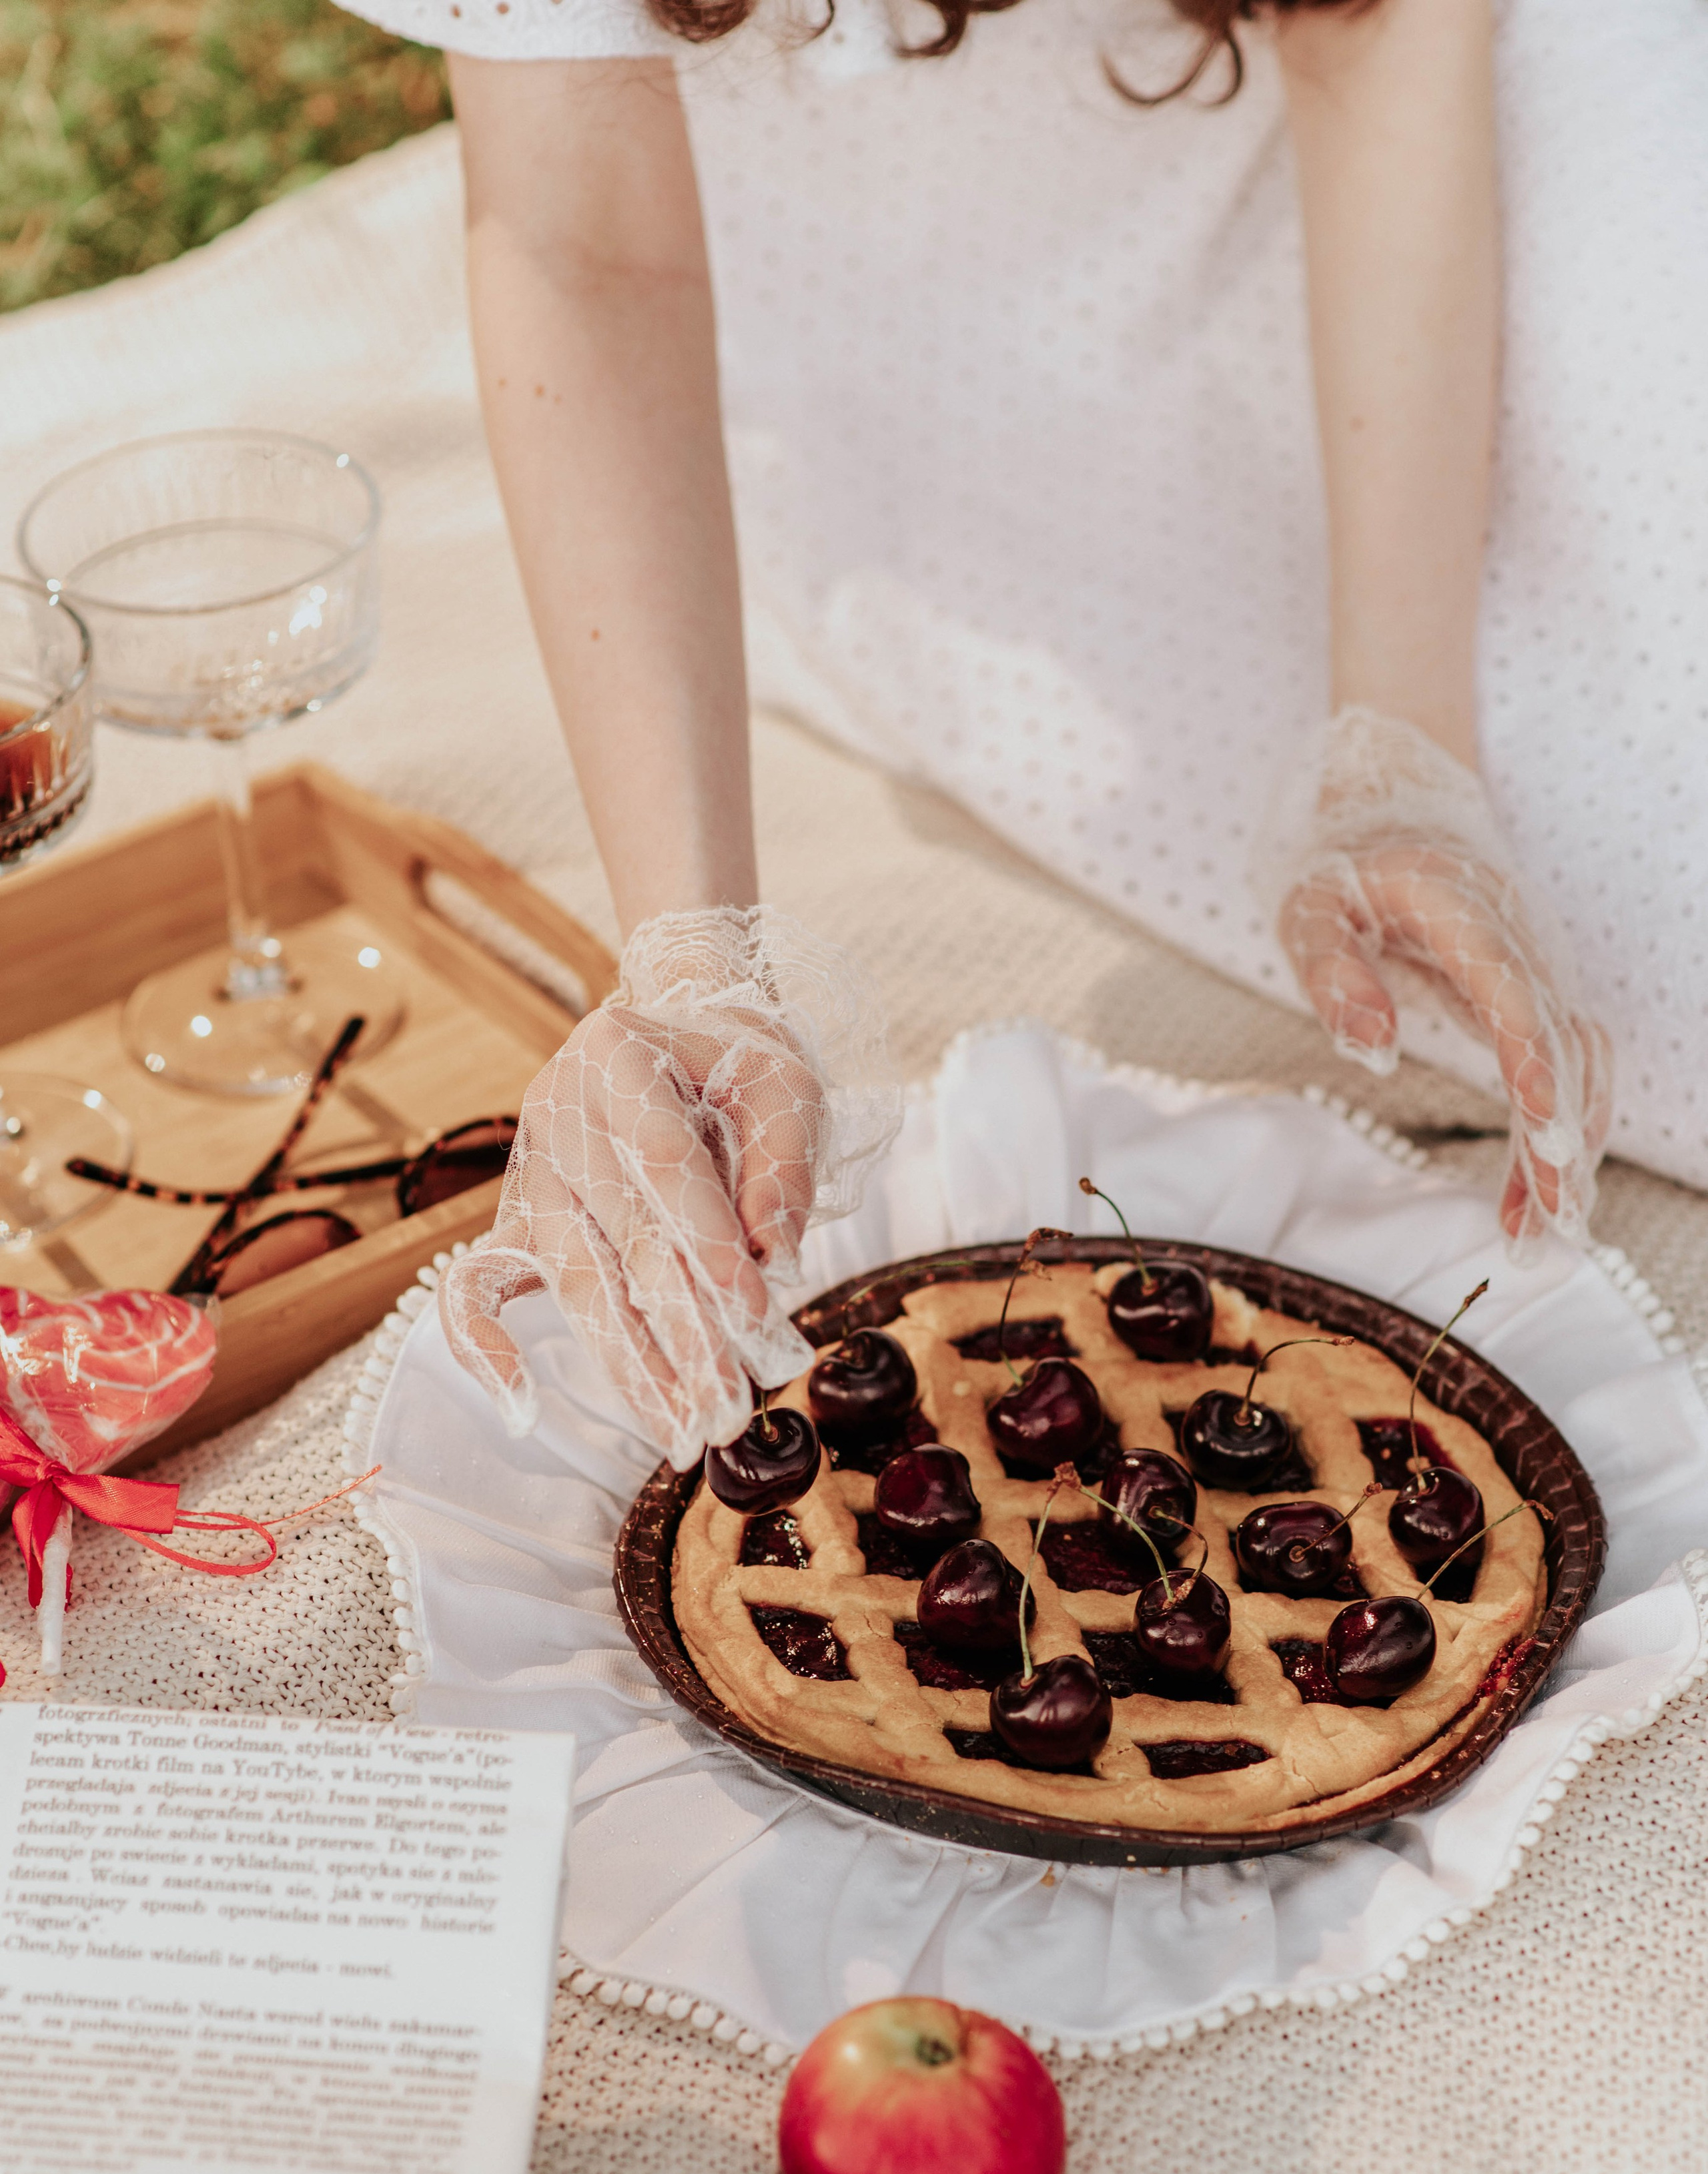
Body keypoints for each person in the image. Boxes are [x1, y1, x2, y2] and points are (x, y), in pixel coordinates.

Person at [341, 0, 1705, 1463]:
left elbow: (1373, 27)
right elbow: (586, 242)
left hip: (1386, 125)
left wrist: (1401, 746)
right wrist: (691, 955)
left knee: (1633, 906)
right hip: (853, 252)